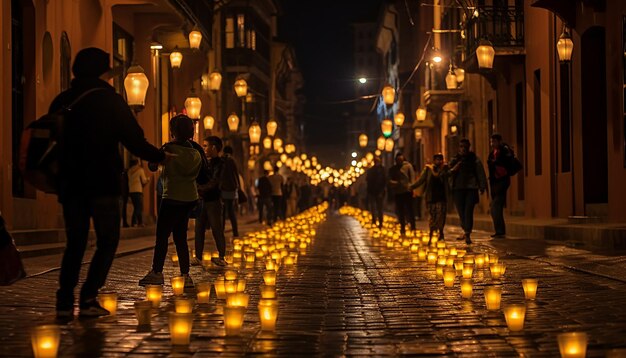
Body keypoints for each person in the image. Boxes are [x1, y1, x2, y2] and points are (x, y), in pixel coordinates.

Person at [50, 47, 166, 319]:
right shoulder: (109, 101)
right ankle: (89, 296)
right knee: (107, 240)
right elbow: (134, 140)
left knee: (75, 242)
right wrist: (161, 157)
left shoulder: (62, 100)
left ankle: (64, 301)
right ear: (102, 73)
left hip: (71, 184)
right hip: (102, 182)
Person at [139, 114, 208, 286]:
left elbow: (152, 165)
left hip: (171, 197)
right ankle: (185, 275)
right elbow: (202, 175)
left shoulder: (168, 149)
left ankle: (157, 272)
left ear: (173, 131)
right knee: (180, 238)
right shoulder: (196, 151)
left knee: (162, 236)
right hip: (189, 199)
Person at [193, 136, 228, 267]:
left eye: (206, 145)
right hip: (201, 200)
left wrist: (200, 188)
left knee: (216, 228)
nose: (204, 148)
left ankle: (221, 256)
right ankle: (198, 257)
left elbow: (215, 182)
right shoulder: (203, 161)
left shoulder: (220, 163)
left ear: (214, 147)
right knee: (199, 229)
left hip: (213, 200)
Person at [449, 138, 487, 244]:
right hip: (457, 189)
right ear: (458, 148)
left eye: (465, 147)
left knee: (468, 211)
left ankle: (467, 233)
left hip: (471, 188)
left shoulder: (474, 159)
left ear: (468, 147)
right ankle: (465, 230)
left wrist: (482, 186)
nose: (463, 149)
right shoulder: (455, 160)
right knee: (461, 213)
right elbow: (447, 172)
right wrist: (454, 169)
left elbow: (480, 172)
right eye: (461, 147)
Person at [411, 154, 449, 243]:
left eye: (440, 159)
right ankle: (431, 235)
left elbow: (449, 178)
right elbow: (421, 180)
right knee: (432, 217)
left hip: (441, 197)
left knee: (441, 217)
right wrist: (412, 186)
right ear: (434, 160)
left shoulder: (445, 169)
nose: (438, 161)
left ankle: (441, 233)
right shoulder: (428, 169)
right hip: (431, 198)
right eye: (437, 159)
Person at [487, 133, 514, 238]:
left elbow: (507, 162)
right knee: (496, 208)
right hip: (494, 182)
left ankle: (500, 231)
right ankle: (500, 230)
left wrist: (497, 162)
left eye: (494, 141)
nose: (492, 143)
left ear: (499, 141)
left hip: (502, 181)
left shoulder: (504, 151)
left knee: (495, 207)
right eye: (491, 141)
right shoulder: (492, 153)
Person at [388, 153, 416, 236]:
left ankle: (413, 227)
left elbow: (412, 178)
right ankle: (402, 227)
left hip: (407, 191)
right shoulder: (393, 169)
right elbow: (389, 180)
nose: (399, 161)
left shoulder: (408, 166)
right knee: (401, 211)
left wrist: (412, 188)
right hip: (398, 192)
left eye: (401, 160)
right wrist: (395, 183)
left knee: (410, 210)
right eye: (398, 160)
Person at [221, 146, 240, 238]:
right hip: (232, 188)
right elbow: (236, 174)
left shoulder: (221, 160)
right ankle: (235, 232)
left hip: (222, 188)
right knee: (231, 210)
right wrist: (238, 187)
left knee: (223, 211)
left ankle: (221, 230)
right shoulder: (232, 161)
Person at [366, 156, 386, 228]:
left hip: (379, 191)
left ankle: (380, 222)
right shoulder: (371, 170)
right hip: (372, 192)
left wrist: (382, 190)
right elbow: (368, 181)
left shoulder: (382, 170)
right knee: (374, 207)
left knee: (379, 208)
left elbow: (384, 181)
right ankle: (374, 220)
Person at [128, 159, 148, 227]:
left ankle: (140, 222)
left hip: (131, 191)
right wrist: (147, 179)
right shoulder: (140, 170)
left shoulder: (129, 171)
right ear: (137, 163)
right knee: (138, 207)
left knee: (137, 206)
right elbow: (144, 181)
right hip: (138, 190)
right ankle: (134, 222)